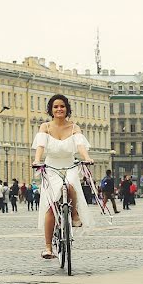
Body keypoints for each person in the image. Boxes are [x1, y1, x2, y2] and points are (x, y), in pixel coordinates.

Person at [32, 94, 94, 260]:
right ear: (51, 110)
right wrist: (37, 160)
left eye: (62, 106)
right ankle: (47, 247)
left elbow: (80, 146)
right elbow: (40, 146)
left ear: (67, 109)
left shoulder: (74, 128)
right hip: (51, 167)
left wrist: (86, 158)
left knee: (71, 184)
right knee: (51, 205)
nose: (59, 109)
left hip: (70, 165)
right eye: (56, 107)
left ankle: (73, 214)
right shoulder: (45, 127)